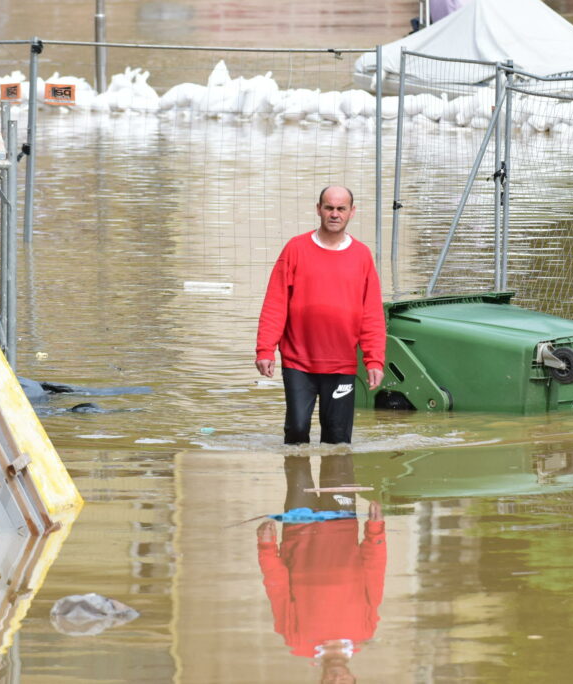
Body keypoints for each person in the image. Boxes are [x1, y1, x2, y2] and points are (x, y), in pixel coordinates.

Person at [256, 186, 386, 444]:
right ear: (319, 209)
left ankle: (335, 482)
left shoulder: (361, 255)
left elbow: (371, 314)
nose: (335, 214)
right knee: (296, 430)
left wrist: (374, 360)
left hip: (342, 363)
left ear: (352, 212)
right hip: (298, 361)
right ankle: (295, 481)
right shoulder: (295, 248)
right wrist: (265, 350)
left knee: (337, 440)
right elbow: (275, 303)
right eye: (329, 208)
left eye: (341, 208)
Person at [257, 454, 387, 681]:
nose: (336, 680)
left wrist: (267, 548)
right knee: (338, 457)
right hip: (342, 523)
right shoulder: (365, 632)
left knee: (297, 463)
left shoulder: (296, 642)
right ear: (354, 679)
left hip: (299, 528)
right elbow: (374, 573)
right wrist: (375, 530)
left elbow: (277, 589)